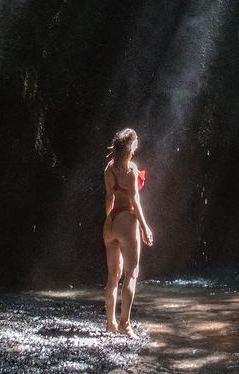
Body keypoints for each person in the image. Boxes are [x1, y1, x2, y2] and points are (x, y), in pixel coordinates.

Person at [103, 126, 154, 335]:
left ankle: (110, 324)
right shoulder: (131, 169)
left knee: (112, 276)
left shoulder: (109, 168)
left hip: (110, 223)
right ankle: (125, 324)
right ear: (131, 147)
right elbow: (134, 200)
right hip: (126, 221)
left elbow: (109, 198)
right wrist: (145, 227)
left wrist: (109, 221)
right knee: (131, 274)